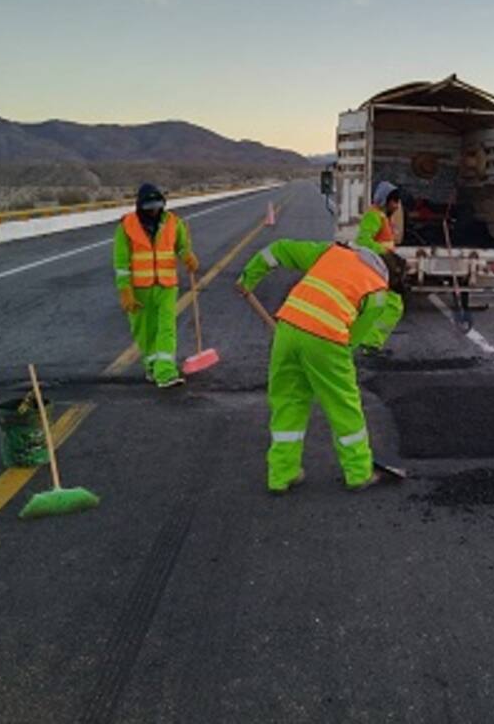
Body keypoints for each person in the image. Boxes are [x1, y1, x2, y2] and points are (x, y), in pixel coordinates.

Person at [236, 239, 407, 493]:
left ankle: (281, 474)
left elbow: (280, 249)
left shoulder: (333, 253)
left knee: (288, 402)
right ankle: (359, 473)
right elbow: (353, 338)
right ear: (389, 278)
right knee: (344, 405)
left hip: (288, 329)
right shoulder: (378, 293)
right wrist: (335, 366)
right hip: (326, 338)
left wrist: (249, 277)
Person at [114, 183, 199, 388]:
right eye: (149, 206)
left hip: (166, 285)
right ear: (140, 205)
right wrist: (125, 290)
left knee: (166, 328)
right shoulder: (126, 226)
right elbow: (121, 263)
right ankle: (152, 368)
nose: (154, 210)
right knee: (145, 331)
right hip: (139, 289)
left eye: (157, 204)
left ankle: (165, 372)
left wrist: (187, 256)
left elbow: (180, 246)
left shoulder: (173, 222)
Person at [356, 180, 401, 254]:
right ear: (385, 200)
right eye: (395, 201)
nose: (397, 206)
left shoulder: (384, 217)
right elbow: (363, 241)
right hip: (376, 261)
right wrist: (383, 250)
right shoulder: (373, 215)